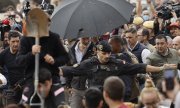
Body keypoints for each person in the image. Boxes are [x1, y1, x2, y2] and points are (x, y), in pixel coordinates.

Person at [59, 40, 177, 91]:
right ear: (97, 52)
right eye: (104, 53)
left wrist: (162, 68)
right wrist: (54, 70)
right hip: (94, 99)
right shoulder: (88, 64)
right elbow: (70, 70)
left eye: (109, 53)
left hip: (112, 99)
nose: (107, 56)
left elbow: (141, 67)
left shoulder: (117, 63)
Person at [67, 37, 95, 108]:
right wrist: (69, 85)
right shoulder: (71, 49)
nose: (87, 40)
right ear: (79, 37)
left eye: (88, 38)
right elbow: (69, 68)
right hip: (76, 87)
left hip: (90, 87)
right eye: (84, 38)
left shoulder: (95, 49)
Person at [0, 30, 24, 104]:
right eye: (13, 41)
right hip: (12, 87)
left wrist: (21, 83)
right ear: (9, 41)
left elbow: (30, 70)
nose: (16, 44)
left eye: (17, 41)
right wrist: (2, 79)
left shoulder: (24, 52)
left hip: (25, 85)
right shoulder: (4, 54)